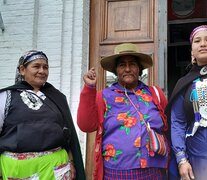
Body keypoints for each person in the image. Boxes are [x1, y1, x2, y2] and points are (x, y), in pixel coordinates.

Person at [77, 43, 169, 179]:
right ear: (115, 70)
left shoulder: (155, 93)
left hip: (153, 169)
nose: (127, 69)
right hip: (117, 171)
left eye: (132, 64)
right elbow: (86, 125)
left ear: (139, 68)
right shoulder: (104, 96)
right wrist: (89, 89)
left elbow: (168, 126)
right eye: (122, 65)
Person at [0, 50, 85, 179]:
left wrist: (72, 162)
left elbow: (68, 136)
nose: (42, 71)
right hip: (18, 170)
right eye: (36, 66)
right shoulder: (6, 97)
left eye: (45, 67)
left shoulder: (57, 97)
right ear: (22, 70)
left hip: (57, 168)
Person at [166, 25, 207, 180]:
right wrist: (181, 159)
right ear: (192, 52)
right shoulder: (184, 84)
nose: (203, 43)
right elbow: (177, 122)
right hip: (198, 161)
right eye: (197, 41)